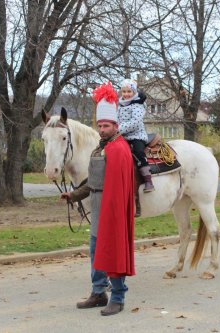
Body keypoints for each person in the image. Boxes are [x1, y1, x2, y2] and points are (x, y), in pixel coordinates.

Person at [60, 82, 135, 316]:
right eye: (100, 125)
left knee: (114, 253)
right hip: (99, 212)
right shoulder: (99, 150)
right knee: (96, 253)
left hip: (112, 214)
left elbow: (118, 186)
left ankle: (119, 298)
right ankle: (98, 292)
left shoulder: (119, 149)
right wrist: (73, 195)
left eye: (107, 125)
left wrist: (112, 215)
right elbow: (93, 183)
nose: (102, 129)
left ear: (115, 125)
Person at [117, 79, 154, 192]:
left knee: (138, 152)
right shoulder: (120, 104)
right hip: (121, 135)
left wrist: (118, 129)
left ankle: (148, 180)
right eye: (124, 91)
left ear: (134, 92)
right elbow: (117, 119)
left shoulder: (138, 105)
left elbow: (135, 122)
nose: (126, 94)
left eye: (129, 91)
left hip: (136, 135)